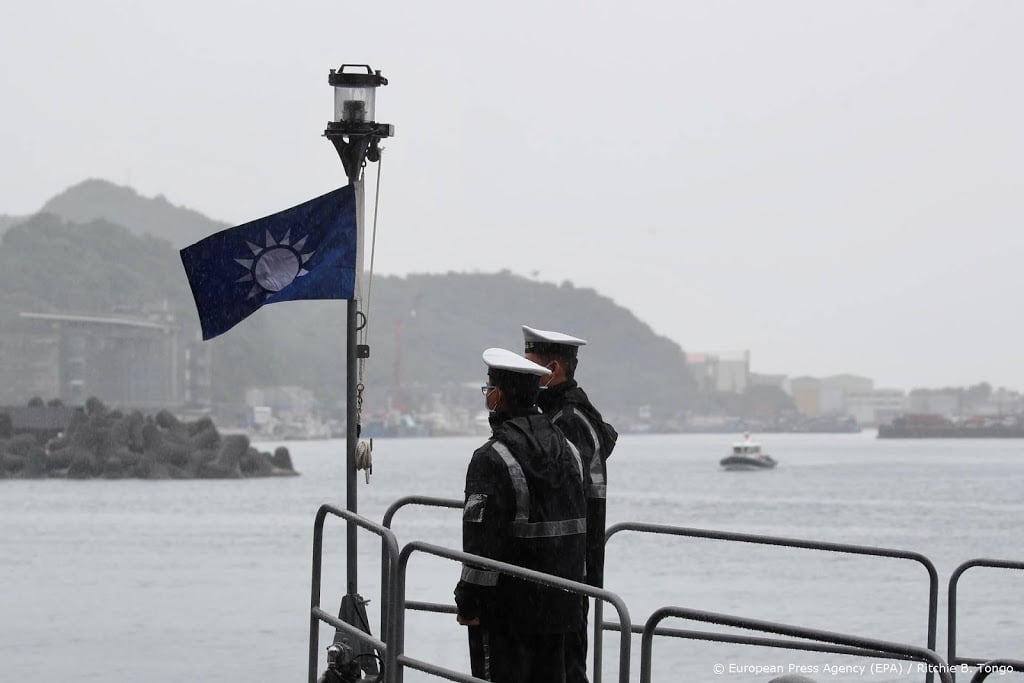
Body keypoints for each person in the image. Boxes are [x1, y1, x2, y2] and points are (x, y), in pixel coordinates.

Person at [454, 347, 588, 683]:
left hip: (506, 614)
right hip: (562, 607)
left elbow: (479, 543)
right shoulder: (569, 450)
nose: (488, 397)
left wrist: (468, 603)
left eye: (488, 389)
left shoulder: (490, 457)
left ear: (498, 396)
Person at [522, 325, 619, 683]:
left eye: (529, 363)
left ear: (553, 369)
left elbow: (558, 496)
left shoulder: (569, 423)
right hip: (562, 563)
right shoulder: (560, 416)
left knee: (565, 666)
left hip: (565, 564)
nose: (523, 370)